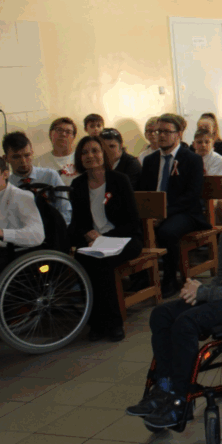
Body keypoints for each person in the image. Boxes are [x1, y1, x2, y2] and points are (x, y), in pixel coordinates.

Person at [126, 182, 222, 428]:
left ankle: (181, 398)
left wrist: (205, 293)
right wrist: (197, 291)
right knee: (161, 314)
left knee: (186, 323)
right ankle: (164, 387)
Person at [68, 135, 142, 342]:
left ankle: (114, 323)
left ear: (103, 154)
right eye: (85, 152)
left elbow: (132, 222)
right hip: (93, 242)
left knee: (103, 264)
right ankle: (96, 323)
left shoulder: (119, 180)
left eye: (95, 151)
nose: (90, 156)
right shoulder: (78, 184)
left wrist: (104, 237)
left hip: (124, 238)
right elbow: (77, 223)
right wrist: (87, 233)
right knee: (82, 261)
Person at [137, 113, 208, 295]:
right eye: (158, 131)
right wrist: (150, 214)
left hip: (185, 212)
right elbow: (144, 191)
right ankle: (143, 278)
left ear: (178, 134)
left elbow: (192, 196)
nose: (161, 135)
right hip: (155, 212)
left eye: (167, 132)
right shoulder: (150, 160)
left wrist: (164, 213)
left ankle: (170, 279)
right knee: (134, 228)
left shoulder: (191, 159)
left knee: (167, 232)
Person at [0, 154, 45, 285]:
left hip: (18, 255)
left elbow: (37, 235)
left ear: (5, 174)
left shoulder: (21, 197)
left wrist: (1, 233)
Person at [1, 131, 72, 226]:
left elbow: (65, 209)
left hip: (52, 229)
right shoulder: (5, 186)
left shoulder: (50, 176)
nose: (23, 161)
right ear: (6, 158)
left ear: (32, 153)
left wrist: (57, 228)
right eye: (16, 157)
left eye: (27, 155)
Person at [36, 117, 80, 185]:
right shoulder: (38, 163)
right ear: (50, 134)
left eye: (68, 132)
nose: (63, 134)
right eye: (59, 130)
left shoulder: (81, 160)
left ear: (74, 137)